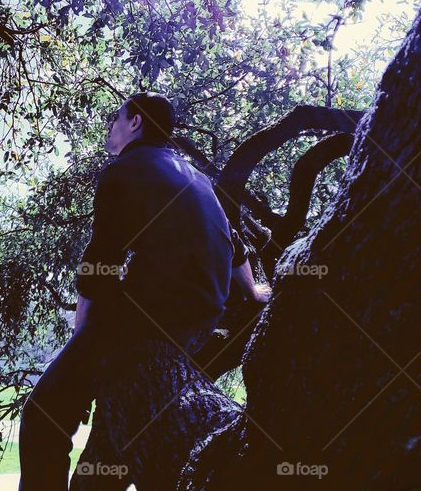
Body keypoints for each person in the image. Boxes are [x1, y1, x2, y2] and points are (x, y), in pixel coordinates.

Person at [18, 91, 268, 490]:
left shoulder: (125, 168)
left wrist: (82, 342)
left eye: (116, 119)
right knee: (116, 437)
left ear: (135, 122)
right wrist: (253, 292)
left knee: (42, 417)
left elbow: (101, 262)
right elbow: (234, 245)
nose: (110, 128)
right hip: (200, 322)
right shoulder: (198, 177)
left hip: (146, 321)